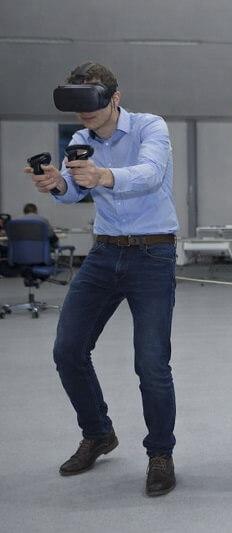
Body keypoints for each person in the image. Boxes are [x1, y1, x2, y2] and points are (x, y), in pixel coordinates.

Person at [25, 61, 179, 495]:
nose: (84, 111)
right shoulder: (80, 140)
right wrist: (57, 184)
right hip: (105, 251)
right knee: (68, 349)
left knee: (151, 363)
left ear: (115, 97)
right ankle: (98, 433)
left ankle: (160, 453)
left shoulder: (150, 127)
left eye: (90, 100)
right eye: (75, 102)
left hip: (153, 253)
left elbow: (150, 174)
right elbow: (75, 190)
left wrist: (103, 175)